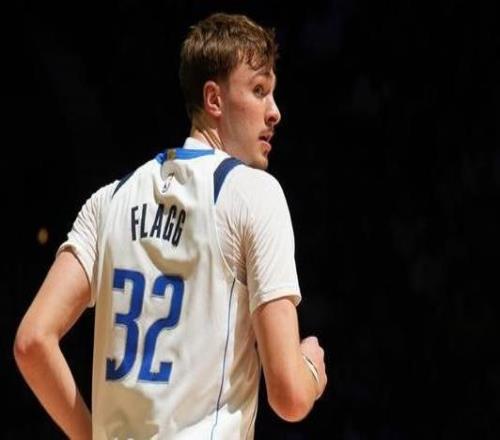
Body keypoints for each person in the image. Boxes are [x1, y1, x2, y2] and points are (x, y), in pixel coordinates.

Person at [14, 12, 327, 439]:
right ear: (214, 99)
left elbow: (32, 341)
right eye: (259, 91)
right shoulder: (254, 194)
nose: (275, 112)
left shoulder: (109, 200)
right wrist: (310, 368)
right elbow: (289, 397)